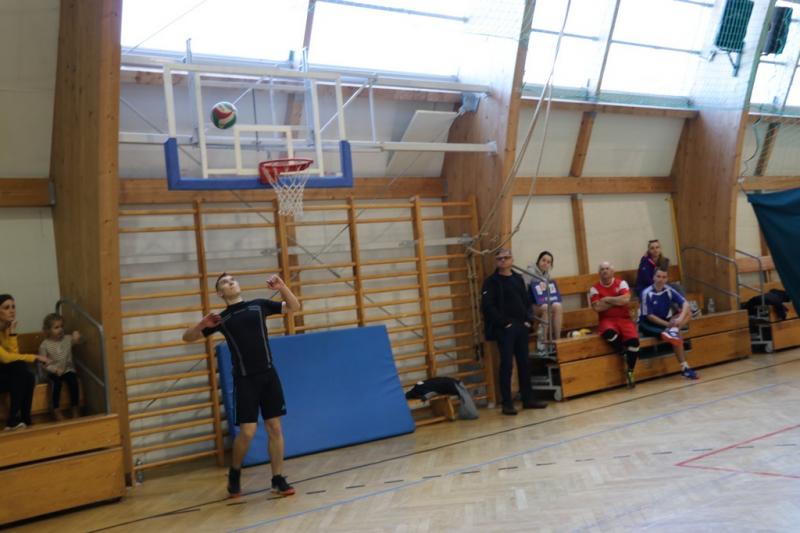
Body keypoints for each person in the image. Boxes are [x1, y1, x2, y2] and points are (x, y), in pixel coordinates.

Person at [182, 273, 300, 498]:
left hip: (268, 375)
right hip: (245, 380)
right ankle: (235, 472)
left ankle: (277, 479)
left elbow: (294, 306)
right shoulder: (221, 319)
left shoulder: (258, 305)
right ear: (220, 293)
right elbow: (187, 338)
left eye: (232, 279)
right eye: (225, 282)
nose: (231, 282)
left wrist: (282, 287)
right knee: (247, 432)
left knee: (275, 428)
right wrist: (201, 324)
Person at [481, 248, 548, 415]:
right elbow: (488, 307)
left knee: (524, 363)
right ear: (496, 261)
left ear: (512, 260)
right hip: (505, 329)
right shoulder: (491, 282)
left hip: (521, 326)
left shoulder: (518, 279)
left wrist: (528, 321)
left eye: (506, 258)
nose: (503, 261)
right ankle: (507, 403)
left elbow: (526, 301)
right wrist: (504, 323)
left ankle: (528, 399)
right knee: (506, 365)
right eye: (500, 258)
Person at [0, 294, 50, 430]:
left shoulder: (5, 329)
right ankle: (13, 420)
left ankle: (24, 419)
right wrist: (35, 357)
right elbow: (5, 358)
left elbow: (14, 355)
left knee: (27, 376)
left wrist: (12, 334)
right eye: (6, 308)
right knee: (20, 367)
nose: (12, 311)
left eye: (13, 307)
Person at [639, 267, 699, 380]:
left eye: (664, 277)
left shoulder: (668, 290)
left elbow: (685, 304)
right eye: (658, 276)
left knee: (688, 313)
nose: (661, 279)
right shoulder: (646, 293)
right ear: (653, 278)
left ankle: (673, 331)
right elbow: (649, 316)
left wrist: (680, 319)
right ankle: (685, 368)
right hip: (648, 324)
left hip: (665, 321)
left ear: (667, 279)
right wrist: (668, 325)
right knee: (677, 335)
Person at [589, 262, 640, 389]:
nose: (605, 271)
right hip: (607, 320)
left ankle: (630, 371)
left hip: (624, 319)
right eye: (602, 269)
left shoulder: (621, 283)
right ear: (599, 273)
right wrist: (617, 300)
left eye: (607, 268)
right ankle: (622, 351)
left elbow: (626, 299)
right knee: (608, 333)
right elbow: (597, 308)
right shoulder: (594, 288)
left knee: (634, 342)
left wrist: (607, 299)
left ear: (612, 271)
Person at [39, 313, 82, 420]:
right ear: (48, 330)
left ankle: (75, 408)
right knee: (56, 384)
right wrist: (54, 369)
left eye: (62, 326)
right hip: (52, 372)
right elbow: (43, 364)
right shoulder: (45, 345)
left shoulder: (67, 339)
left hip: (67, 369)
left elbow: (77, 341)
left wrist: (76, 336)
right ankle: (56, 409)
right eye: (56, 327)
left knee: (73, 381)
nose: (60, 329)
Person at [528, 251, 563, 346]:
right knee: (545, 307)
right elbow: (522, 289)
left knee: (558, 305)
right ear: (538, 261)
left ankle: (558, 340)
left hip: (542, 303)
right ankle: (545, 341)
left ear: (551, 265)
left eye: (548, 262)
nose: (545, 263)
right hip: (531, 305)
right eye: (543, 260)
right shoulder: (530, 271)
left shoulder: (547, 275)